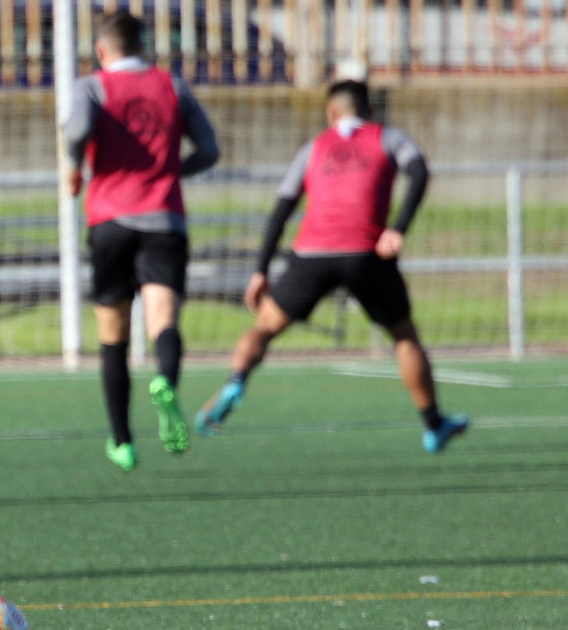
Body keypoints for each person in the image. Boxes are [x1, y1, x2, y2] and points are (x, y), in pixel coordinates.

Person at [196, 79, 469, 453]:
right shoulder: (388, 137)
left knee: (264, 326)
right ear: (370, 112)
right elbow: (420, 171)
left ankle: (236, 380)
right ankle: (433, 424)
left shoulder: (313, 147)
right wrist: (397, 229)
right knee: (405, 338)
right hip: (366, 254)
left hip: (311, 255)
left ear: (331, 113)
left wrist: (260, 270)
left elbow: (282, 208)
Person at [61, 10, 220, 472]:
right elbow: (209, 150)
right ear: (143, 47)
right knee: (163, 321)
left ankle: (122, 440)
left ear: (102, 51)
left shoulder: (93, 85)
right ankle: (165, 380)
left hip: (111, 220)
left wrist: (75, 165)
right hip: (164, 219)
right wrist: (171, 173)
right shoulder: (172, 85)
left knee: (112, 335)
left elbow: (75, 129)